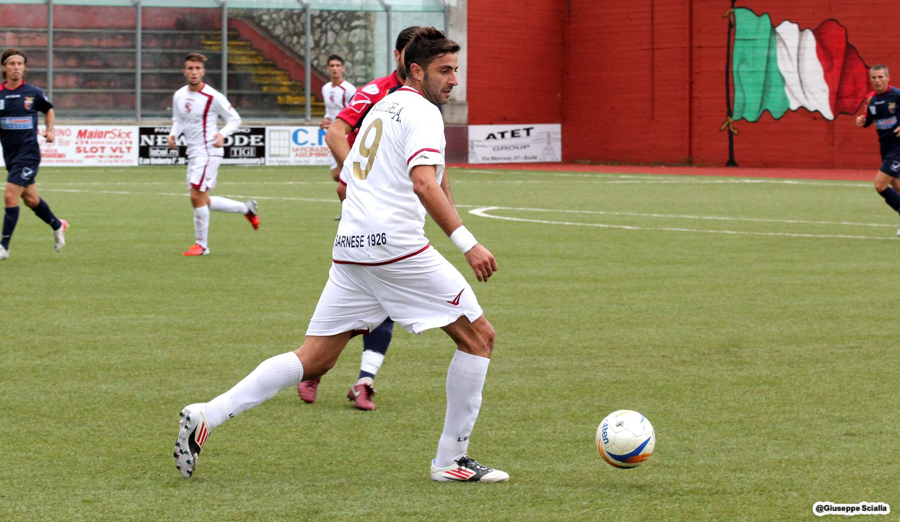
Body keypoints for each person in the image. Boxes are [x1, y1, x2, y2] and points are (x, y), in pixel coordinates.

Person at [174, 27, 509, 483]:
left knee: (315, 358)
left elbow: (347, 179)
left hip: (352, 248)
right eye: (445, 70)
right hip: (395, 250)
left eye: (456, 70)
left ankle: (206, 414)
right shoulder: (422, 113)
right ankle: (451, 460)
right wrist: (469, 244)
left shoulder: (379, 108)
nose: (453, 80)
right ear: (416, 69)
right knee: (479, 337)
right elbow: (425, 183)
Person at [299, 26, 419, 410]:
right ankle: (317, 367)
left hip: (398, 215)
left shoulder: (426, 101)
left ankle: (362, 379)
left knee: (382, 305)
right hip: (365, 216)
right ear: (400, 56)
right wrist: (354, 173)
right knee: (372, 301)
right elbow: (338, 131)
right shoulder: (373, 91)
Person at [168, 53, 259, 256]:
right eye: (190, 68)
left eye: (197, 68)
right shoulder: (179, 95)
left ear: (203, 71)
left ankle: (202, 245)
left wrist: (221, 134)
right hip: (193, 152)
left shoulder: (213, 96)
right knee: (202, 199)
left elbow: (234, 119)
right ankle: (247, 209)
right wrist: (173, 135)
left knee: (195, 195)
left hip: (209, 151)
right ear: (184, 71)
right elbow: (179, 120)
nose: (194, 72)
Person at [0, 48, 67, 261]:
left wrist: (50, 129)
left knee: (10, 196)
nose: (16, 68)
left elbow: (48, 109)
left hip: (28, 154)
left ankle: (3, 247)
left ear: (24, 68)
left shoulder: (33, 92)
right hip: (10, 155)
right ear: (4, 68)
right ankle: (58, 225)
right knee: (31, 200)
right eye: (12, 64)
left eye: (20, 64)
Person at [856, 64, 900, 235]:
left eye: (880, 77)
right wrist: (862, 121)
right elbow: (868, 120)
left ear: (888, 78)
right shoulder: (870, 99)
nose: (877, 81)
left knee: (880, 184)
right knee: (896, 184)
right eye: (874, 78)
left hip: (898, 146)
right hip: (886, 146)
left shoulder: (896, 95)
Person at [319, 54, 356, 182]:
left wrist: (336, 125)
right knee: (337, 174)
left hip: (346, 135)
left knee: (345, 173)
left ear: (343, 69)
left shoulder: (349, 89)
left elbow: (355, 113)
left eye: (338, 66)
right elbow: (329, 111)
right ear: (327, 68)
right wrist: (326, 120)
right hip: (334, 134)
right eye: (332, 66)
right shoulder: (325, 88)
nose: (335, 68)